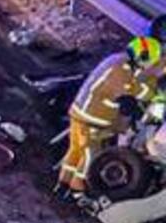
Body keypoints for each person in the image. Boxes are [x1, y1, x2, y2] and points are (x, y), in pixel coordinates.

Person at [57, 36, 163, 195]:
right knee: (90, 155)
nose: (149, 65)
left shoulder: (117, 61)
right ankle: (78, 189)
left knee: (75, 151)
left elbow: (134, 87)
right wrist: (150, 96)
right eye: (150, 61)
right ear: (143, 56)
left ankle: (63, 184)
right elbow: (130, 92)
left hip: (80, 114)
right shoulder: (121, 70)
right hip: (92, 119)